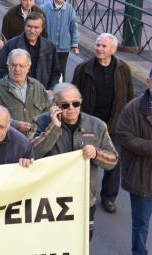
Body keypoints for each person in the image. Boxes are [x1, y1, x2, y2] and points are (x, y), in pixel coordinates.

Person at [32, 82, 118, 240]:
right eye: (65, 104)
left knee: (82, 242)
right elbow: (31, 153)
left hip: (84, 200)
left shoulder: (97, 125)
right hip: (51, 200)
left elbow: (113, 159)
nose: (71, 108)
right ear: (55, 106)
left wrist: (96, 153)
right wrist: (54, 127)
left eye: (75, 103)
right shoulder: (40, 122)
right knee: (51, 242)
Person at [72, 33, 134, 214]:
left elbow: (130, 97)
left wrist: (127, 121)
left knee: (113, 162)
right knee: (85, 160)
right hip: (89, 124)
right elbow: (73, 94)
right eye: (98, 45)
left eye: (103, 46)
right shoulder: (84, 69)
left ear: (113, 50)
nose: (99, 48)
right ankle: (81, 193)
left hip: (114, 125)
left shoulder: (124, 69)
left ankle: (109, 197)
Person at [116, 68, 152, 255]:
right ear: (148, 82)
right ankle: (139, 252)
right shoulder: (133, 107)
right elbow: (124, 136)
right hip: (141, 175)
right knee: (141, 221)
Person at [0, 49, 52, 138]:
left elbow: (48, 112)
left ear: (28, 67)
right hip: (10, 143)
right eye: (13, 65)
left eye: (21, 66)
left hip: (36, 142)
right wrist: (13, 124)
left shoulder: (38, 86)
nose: (17, 69)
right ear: (8, 66)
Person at [0, 13, 60, 90]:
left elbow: (55, 73)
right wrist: (13, 89)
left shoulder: (49, 47)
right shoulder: (11, 45)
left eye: (36, 27)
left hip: (43, 95)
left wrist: (50, 90)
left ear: (41, 29)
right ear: (24, 27)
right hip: (17, 95)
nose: (32, 30)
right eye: (29, 26)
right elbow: (1, 71)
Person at [42, 0, 79, 79]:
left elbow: (74, 27)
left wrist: (74, 44)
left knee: (61, 72)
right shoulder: (44, 8)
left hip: (63, 48)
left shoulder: (70, 9)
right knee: (46, 70)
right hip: (48, 47)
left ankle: (60, 92)